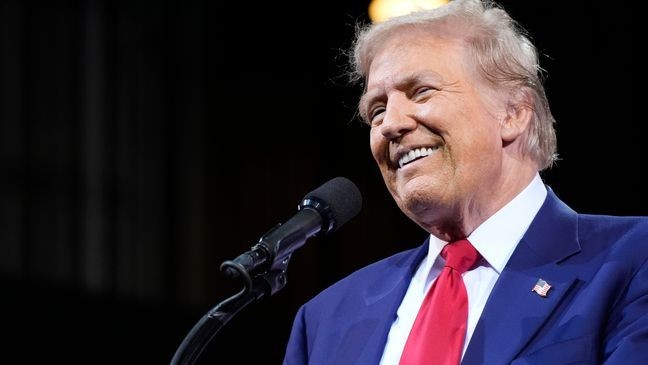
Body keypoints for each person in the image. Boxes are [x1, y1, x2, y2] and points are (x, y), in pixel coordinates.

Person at [283, 0, 648, 364]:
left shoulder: (633, 260)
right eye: (377, 110)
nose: (391, 124)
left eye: (421, 91)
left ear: (513, 113)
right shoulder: (325, 321)